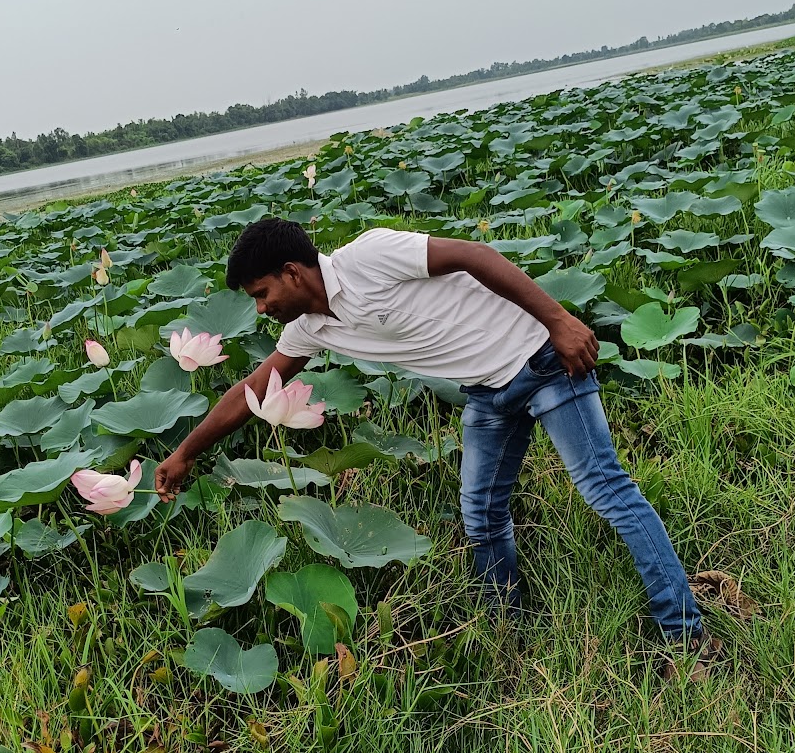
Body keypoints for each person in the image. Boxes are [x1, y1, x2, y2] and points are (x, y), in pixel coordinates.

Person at [154, 218, 714, 667]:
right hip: (488, 392)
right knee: (482, 516)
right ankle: (506, 635)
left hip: (541, 359)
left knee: (606, 490)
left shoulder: (368, 256)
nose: (260, 308)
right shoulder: (308, 328)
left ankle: (687, 639)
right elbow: (249, 391)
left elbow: (476, 256)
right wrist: (185, 453)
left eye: (262, 293)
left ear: (293, 271)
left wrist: (559, 320)